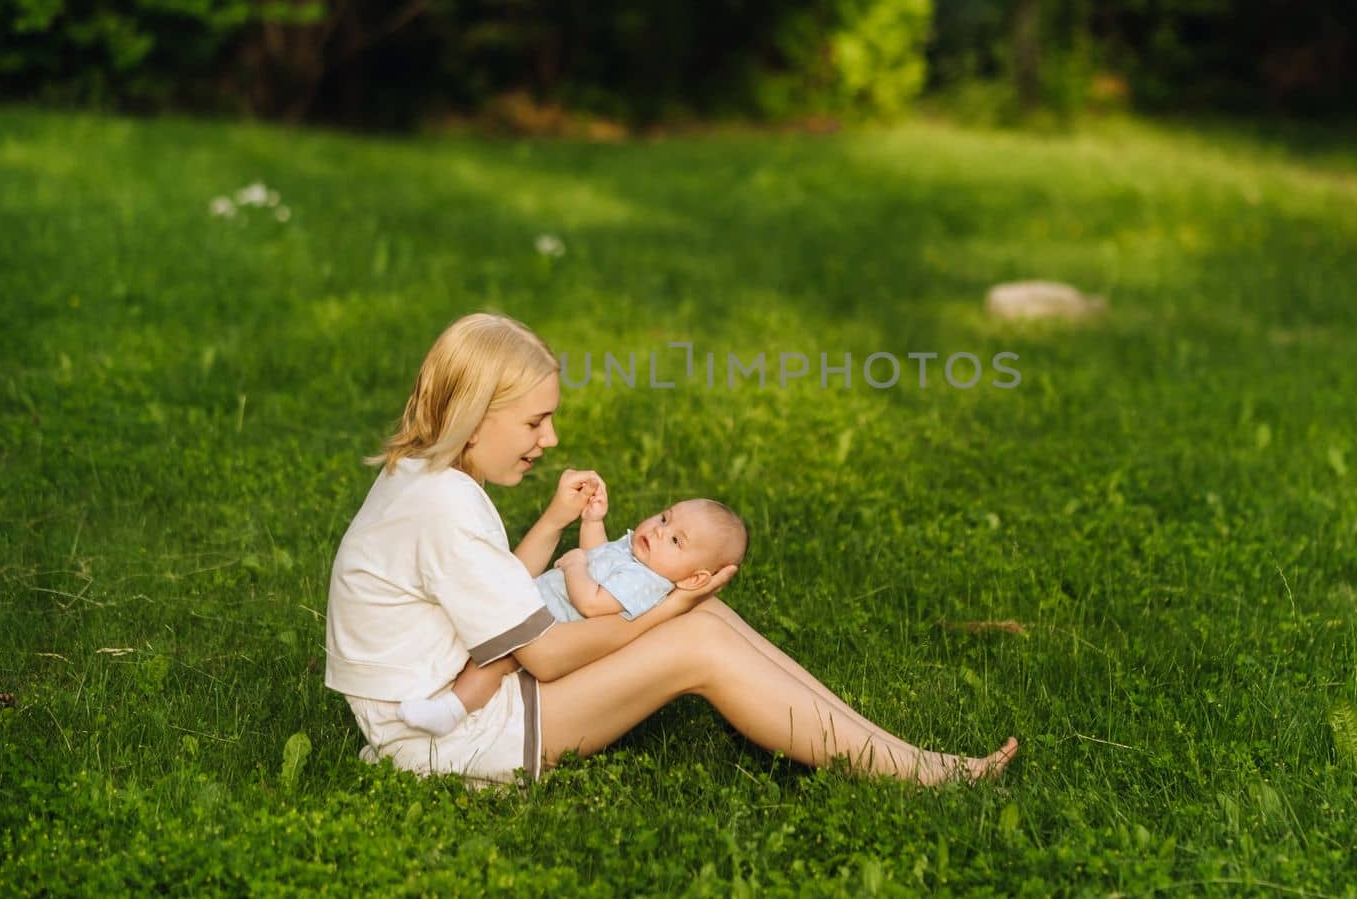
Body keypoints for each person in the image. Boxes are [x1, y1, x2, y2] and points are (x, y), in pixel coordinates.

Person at [324, 312, 1018, 785]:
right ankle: (918, 771)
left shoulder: (428, 479)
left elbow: (500, 591)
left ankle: (894, 750)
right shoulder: (442, 504)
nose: (552, 437)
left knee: (704, 619)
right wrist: (666, 609)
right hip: (450, 734)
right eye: (537, 420)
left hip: (468, 697)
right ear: (475, 415)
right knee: (697, 639)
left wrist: (574, 534)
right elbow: (545, 653)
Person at [396, 490, 748, 736]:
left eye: (676, 540)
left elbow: (592, 602)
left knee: (494, 660)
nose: (659, 530)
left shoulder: (649, 582)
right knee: (475, 641)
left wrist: (574, 567)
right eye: (665, 517)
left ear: (696, 577)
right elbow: (598, 559)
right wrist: (593, 522)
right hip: (534, 606)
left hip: (553, 627)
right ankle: (435, 683)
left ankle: (452, 710)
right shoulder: (638, 556)